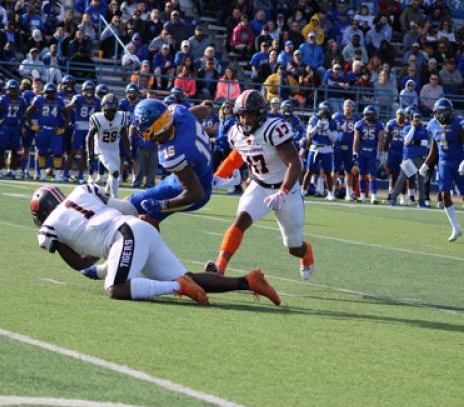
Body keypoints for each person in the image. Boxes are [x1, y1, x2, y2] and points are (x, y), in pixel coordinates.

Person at [30, 184, 280, 305]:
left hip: (124, 235)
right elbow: (128, 208)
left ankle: (175, 287)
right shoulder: (82, 190)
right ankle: (248, 281)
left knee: (116, 289)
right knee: (189, 276)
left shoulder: (48, 228)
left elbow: (78, 261)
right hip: (135, 227)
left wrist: (94, 263)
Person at [203, 90, 314, 281]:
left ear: (261, 114)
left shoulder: (273, 129)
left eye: (251, 115)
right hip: (260, 185)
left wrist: (283, 192)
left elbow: (295, 164)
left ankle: (307, 253)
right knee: (241, 220)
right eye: (242, 115)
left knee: (293, 247)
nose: (246, 120)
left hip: (286, 188)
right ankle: (220, 268)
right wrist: (218, 176)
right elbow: (238, 154)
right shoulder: (236, 133)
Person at [124, 99, 214, 229]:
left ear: (158, 125)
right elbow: (202, 110)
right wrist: (207, 110)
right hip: (183, 179)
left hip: (192, 191)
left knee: (128, 205)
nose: (141, 132)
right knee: (147, 219)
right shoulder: (179, 113)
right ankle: (154, 249)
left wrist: (162, 205)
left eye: (144, 128)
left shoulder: (174, 153)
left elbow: (195, 193)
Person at [421, 99, 464, 241]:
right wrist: (426, 164)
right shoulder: (433, 125)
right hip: (444, 163)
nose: (443, 115)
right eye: (440, 112)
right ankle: (455, 227)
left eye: (445, 111)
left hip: (459, 162)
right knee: (445, 194)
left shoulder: (458, 124)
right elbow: (434, 149)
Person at [86, 94, 130, 197]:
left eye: (112, 111)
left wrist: (128, 152)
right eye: (107, 111)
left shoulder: (122, 117)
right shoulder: (97, 118)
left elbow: (125, 136)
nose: (110, 114)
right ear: (102, 109)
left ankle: (106, 191)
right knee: (115, 172)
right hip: (102, 150)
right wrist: (90, 155)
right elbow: (89, 137)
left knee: (114, 173)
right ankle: (116, 198)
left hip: (115, 149)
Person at [25, 82, 68, 182]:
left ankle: (57, 176)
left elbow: (67, 117)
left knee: (58, 153)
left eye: (51, 92)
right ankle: (42, 175)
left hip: (54, 131)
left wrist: (63, 128)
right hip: (42, 130)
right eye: (47, 92)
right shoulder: (39, 99)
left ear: (54, 93)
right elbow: (28, 113)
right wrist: (32, 126)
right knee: (41, 152)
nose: (49, 94)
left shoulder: (60, 101)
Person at [388, 108, 428, 208]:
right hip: (409, 157)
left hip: (420, 158)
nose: (417, 120)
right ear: (411, 118)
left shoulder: (424, 130)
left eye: (419, 118)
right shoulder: (407, 128)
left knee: (421, 181)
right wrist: (413, 128)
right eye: (415, 118)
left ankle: (421, 201)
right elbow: (406, 141)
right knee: (402, 179)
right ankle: (393, 199)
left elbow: (425, 143)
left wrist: (414, 143)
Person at [63, 80, 101, 184]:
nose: (89, 92)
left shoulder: (97, 101)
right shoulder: (78, 99)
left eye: (91, 90)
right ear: (83, 91)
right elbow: (66, 109)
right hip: (79, 128)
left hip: (90, 129)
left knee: (86, 153)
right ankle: (66, 174)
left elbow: (100, 115)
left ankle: (80, 175)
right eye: (87, 90)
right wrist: (69, 121)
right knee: (73, 152)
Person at [0, 80, 27, 179]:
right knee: (1, 150)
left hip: (15, 128)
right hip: (5, 127)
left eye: (14, 89)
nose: (13, 91)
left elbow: (25, 114)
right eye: (11, 89)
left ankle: (12, 171)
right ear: (7, 89)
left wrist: (21, 124)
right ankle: (0, 171)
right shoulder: (3, 98)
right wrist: (0, 119)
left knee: (15, 150)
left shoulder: (21, 100)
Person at [303, 101, 338, 200]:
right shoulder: (314, 119)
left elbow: (334, 139)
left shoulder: (332, 122)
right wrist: (316, 127)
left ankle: (330, 193)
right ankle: (303, 191)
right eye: (323, 110)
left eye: (327, 111)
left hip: (326, 148)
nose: (325, 113)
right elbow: (309, 135)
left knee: (327, 171)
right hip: (315, 147)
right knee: (310, 170)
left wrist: (327, 131)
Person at [352, 105, 385, 204]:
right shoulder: (359, 124)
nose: (368, 117)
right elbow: (356, 140)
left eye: (370, 115)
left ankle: (373, 196)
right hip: (363, 153)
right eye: (367, 115)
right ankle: (363, 196)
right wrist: (354, 153)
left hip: (372, 153)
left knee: (372, 175)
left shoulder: (378, 125)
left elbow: (380, 141)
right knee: (362, 175)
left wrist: (380, 155)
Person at [332, 99, 361, 201]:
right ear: (343, 107)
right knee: (335, 170)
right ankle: (331, 192)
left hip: (350, 148)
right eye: (346, 106)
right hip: (338, 147)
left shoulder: (357, 119)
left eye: (350, 106)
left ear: (353, 107)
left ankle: (349, 193)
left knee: (349, 171)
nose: (348, 107)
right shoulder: (337, 117)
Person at [384, 108, 407, 204]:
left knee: (403, 175)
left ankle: (403, 197)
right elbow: (388, 139)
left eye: (402, 114)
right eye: (398, 114)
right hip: (392, 152)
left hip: (404, 152)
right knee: (392, 174)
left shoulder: (408, 125)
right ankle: (391, 194)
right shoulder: (391, 124)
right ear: (396, 115)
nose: (400, 116)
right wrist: (384, 153)